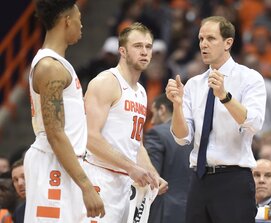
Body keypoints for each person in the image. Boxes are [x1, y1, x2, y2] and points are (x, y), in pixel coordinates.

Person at [165, 16, 267, 223]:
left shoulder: (250, 78)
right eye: (201, 38)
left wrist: (225, 96)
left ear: (228, 42)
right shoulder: (193, 84)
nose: (203, 44)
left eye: (211, 38)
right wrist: (176, 105)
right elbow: (182, 138)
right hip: (198, 179)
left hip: (234, 179)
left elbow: (254, 123)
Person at [24, 0, 105, 222]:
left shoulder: (59, 64)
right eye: (80, 20)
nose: (82, 26)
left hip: (64, 163)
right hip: (53, 163)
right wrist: (86, 186)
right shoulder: (50, 67)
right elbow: (55, 133)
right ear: (67, 21)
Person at [84, 22, 168, 223]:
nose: (145, 52)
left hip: (125, 185)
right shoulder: (106, 82)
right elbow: (90, 137)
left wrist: (152, 174)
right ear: (122, 51)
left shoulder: (141, 91)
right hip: (99, 179)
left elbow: (136, 143)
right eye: (138, 46)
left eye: (148, 47)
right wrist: (131, 167)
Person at [144, 93, 192, 223]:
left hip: (165, 211)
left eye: (153, 113)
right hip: (194, 209)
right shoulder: (194, 134)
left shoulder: (156, 133)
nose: (152, 121)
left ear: (162, 109)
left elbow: (151, 178)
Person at [11, 159, 25, 223]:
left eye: (24, 177)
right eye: (15, 180)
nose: (19, 183)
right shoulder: (19, 212)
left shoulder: (55, 203)